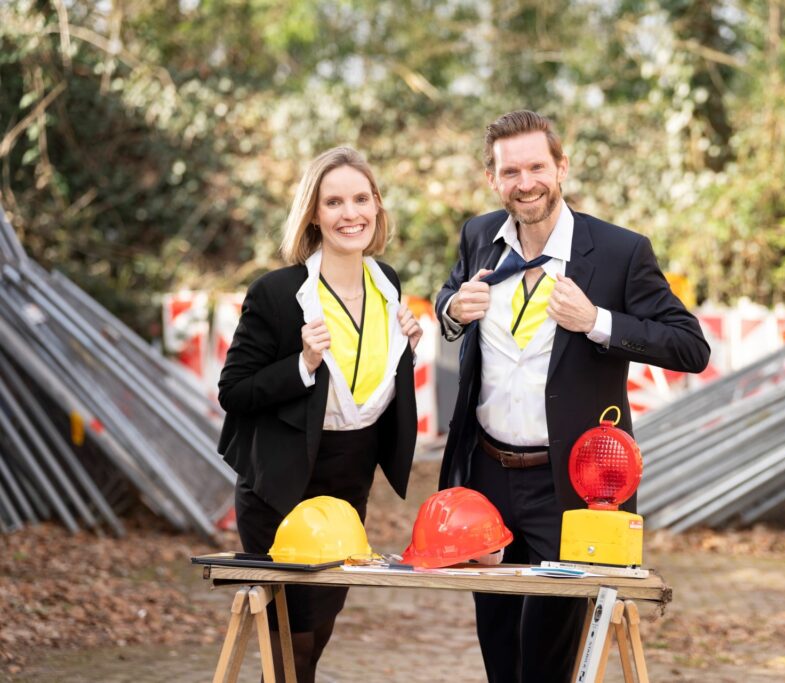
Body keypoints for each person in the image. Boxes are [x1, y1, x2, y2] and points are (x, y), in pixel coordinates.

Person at [435, 111, 710, 683]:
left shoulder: (618, 252)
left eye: (537, 166)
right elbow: (449, 297)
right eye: (511, 171)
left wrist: (599, 321)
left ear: (561, 167)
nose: (526, 182)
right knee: (499, 651)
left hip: (571, 488)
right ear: (493, 178)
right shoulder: (478, 236)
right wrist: (452, 311)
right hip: (486, 476)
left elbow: (691, 346)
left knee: (547, 660)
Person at [218, 146, 421, 682]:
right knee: (290, 642)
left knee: (318, 633)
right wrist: (303, 362)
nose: (349, 213)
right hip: (281, 482)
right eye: (334, 202)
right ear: (313, 213)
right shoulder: (279, 293)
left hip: (347, 481)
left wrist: (409, 348)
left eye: (360, 198)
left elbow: (372, 376)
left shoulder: (388, 285)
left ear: (377, 206)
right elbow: (233, 391)